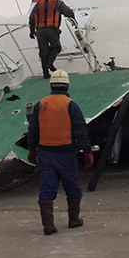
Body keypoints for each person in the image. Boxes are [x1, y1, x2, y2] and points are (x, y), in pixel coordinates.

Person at [27, 69, 94, 235]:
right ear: (67, 85)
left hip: (45, 153)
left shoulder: (40, 104)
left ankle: (48, 225)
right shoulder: (71, 105)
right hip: (66, 153)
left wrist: (32, 149)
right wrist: (87, 151)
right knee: (72, 185)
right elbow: (80, 131)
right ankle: (74, 219)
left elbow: (33, 129)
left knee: (47, 187)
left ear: (51, 85)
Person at [29, 0, 75, 79]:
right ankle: (49, 63)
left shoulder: (38, 4)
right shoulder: (57, 2)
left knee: (43, 52)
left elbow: (32, 17)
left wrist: (32, 30)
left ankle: (45, 73)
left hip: (40, 31)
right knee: (56, 47)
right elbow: (68, 12)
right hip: (51, 29)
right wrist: (73, 20)